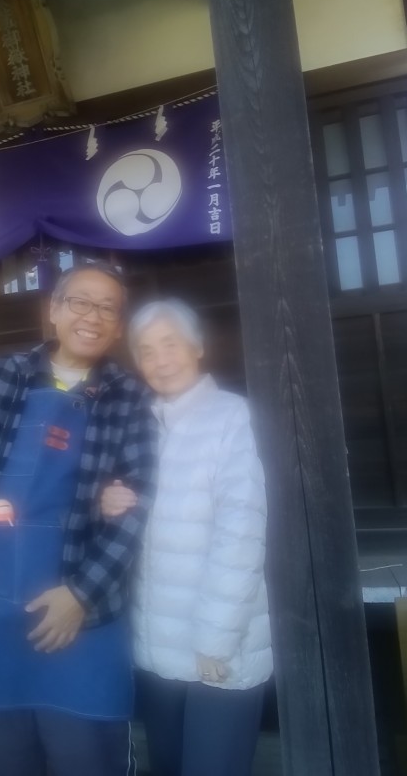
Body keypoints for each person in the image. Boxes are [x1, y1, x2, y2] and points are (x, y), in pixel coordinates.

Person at [0, 262, 157, 776]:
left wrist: (82, 594)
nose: (93, 316)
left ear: (118, 327)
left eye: (107, 308)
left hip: (84, 617)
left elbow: (136, 502)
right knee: (2, 758)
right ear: (53, 310)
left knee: (86, 756)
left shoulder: (129, 396)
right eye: (80, 302)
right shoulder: (8, 374)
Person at [102, 298, 272, 776]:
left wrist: (217, 637)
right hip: (158, 646)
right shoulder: (140, 425)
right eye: (146, 350)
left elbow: (242, 530)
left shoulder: (231, 417)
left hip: (219, 646)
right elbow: (122, 519)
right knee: (169, 766)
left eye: (170, 344)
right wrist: (107, 502)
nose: (160, 360)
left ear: (197, 348)